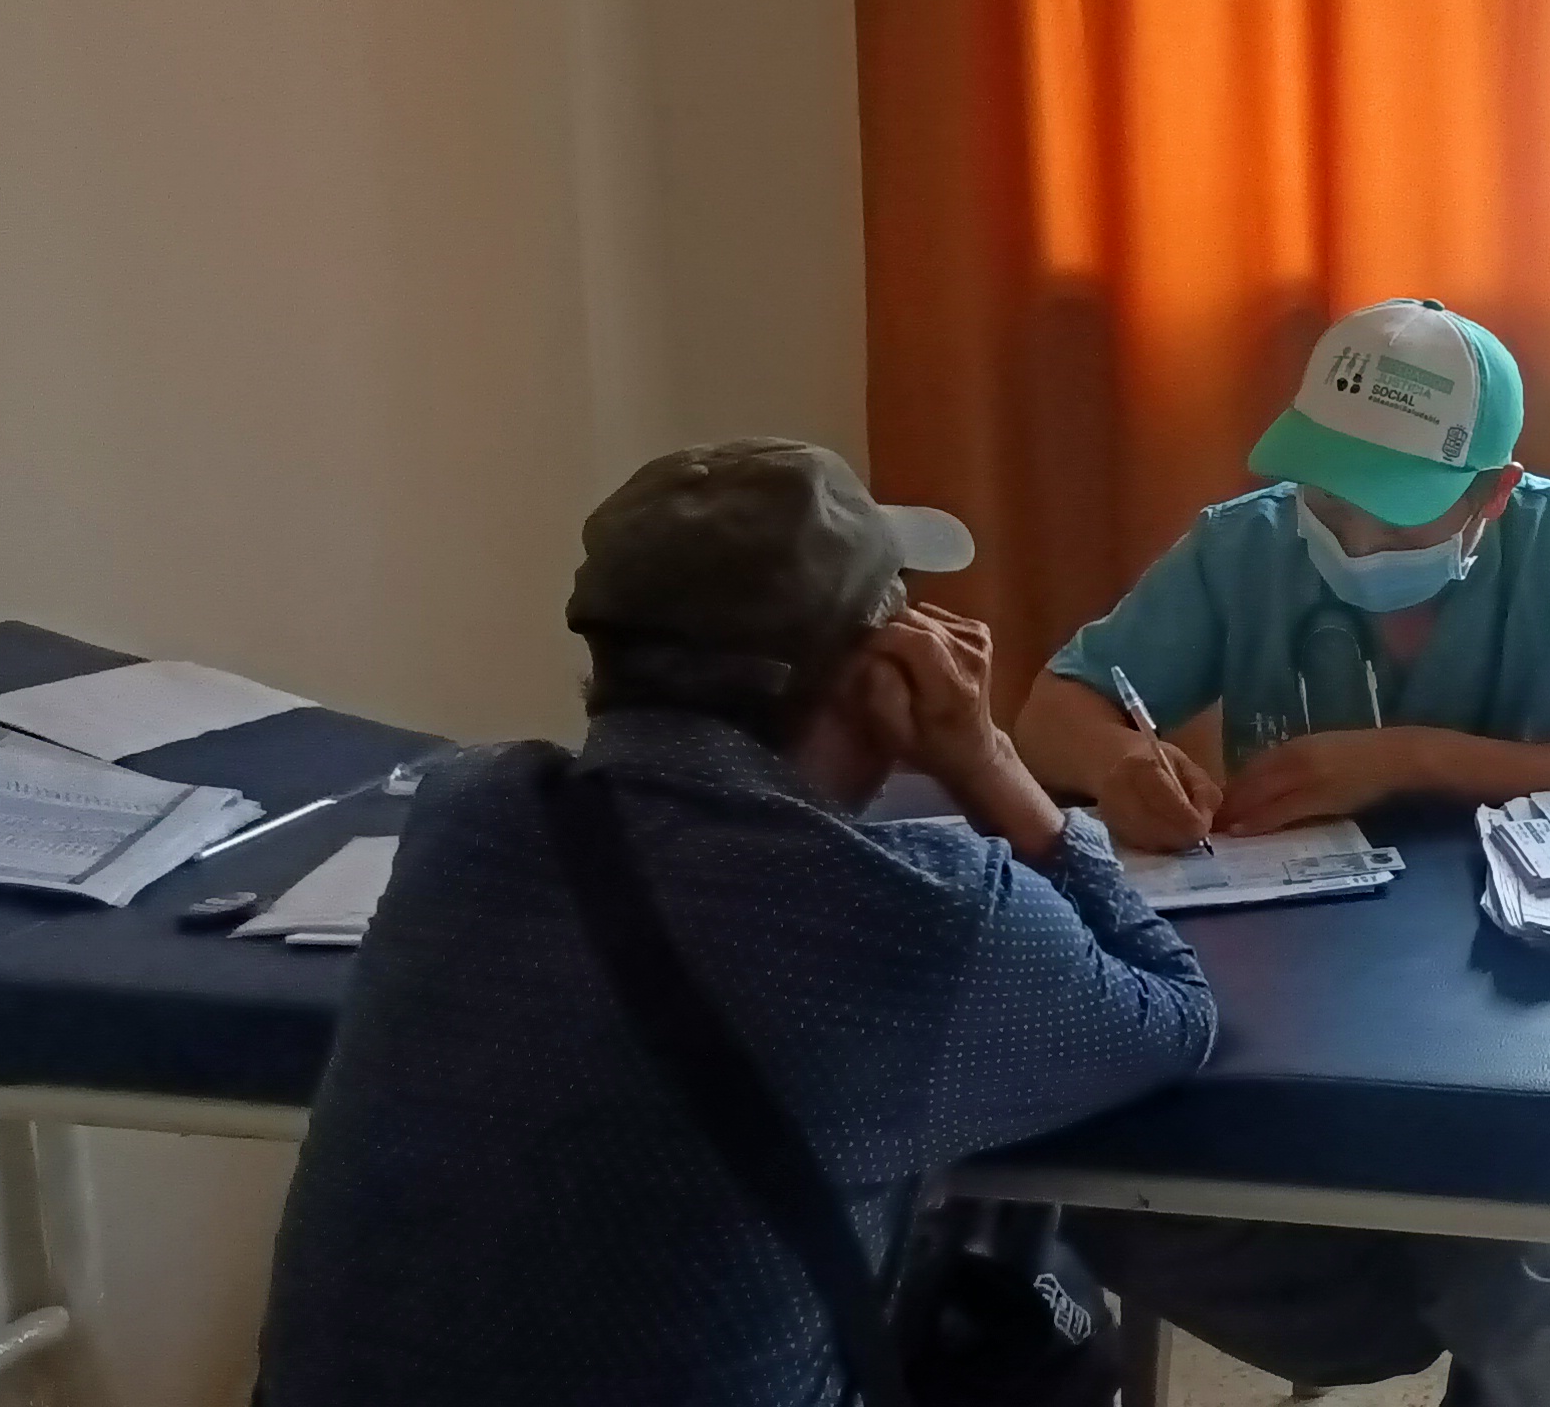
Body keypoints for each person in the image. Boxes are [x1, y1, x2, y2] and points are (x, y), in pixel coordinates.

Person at [260, 439, 1217, 1407]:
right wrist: (986, 760)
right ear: (880, 673)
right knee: (1024, 1300)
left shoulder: (465, 808)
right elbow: (1173, 1012)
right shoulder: (923, 912)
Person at [1013, 297, 1550, 1407]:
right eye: (1329, 496)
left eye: (1396, 514)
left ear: (1493, 491)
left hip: (1528, 987)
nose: (1351, 538)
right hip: (1305, 973)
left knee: (1489, 1210)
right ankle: (1497, 1311)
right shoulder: (1243, 547)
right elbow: (1054, 709)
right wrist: (1120, 764)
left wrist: (1414, 758)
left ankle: (1536, 1346)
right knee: (1101, 1184)